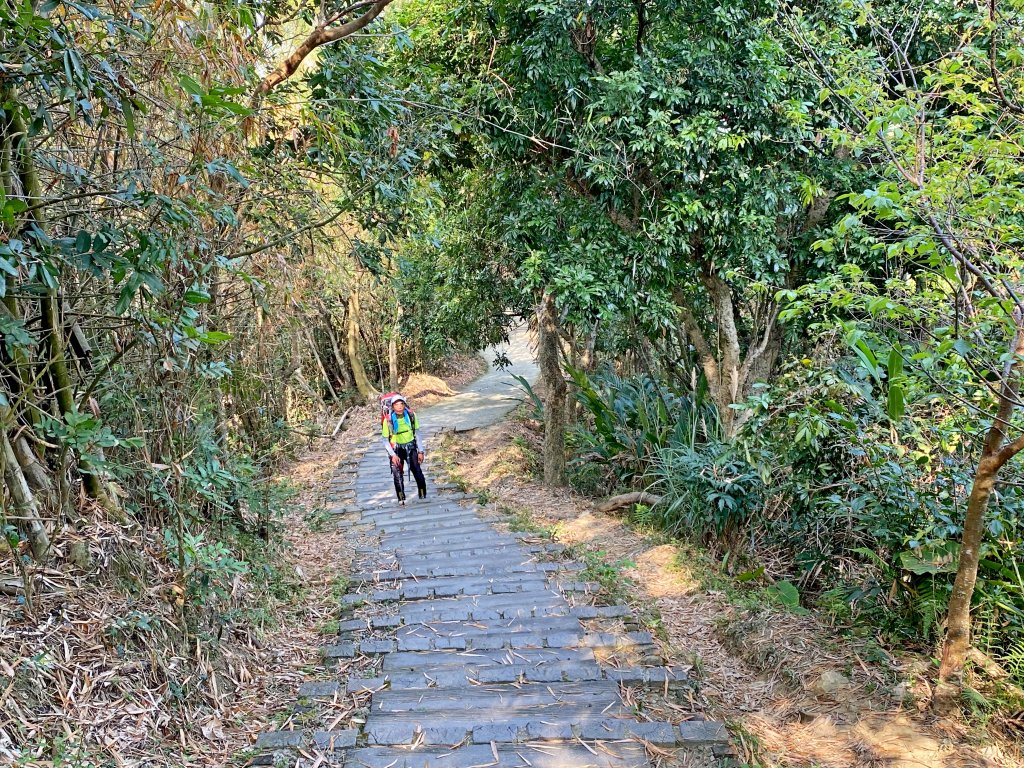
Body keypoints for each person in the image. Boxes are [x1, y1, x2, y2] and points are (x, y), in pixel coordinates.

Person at [381, 394, 426, 505]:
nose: (400, 407)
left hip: (411, 446)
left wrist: (421, 451)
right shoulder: (388, 421)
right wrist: (392, 455)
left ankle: (422, 494)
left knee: (417, 470)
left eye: (401, 404)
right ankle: (401, 498)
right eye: (397, 404)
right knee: (397, 474)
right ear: (392, 406)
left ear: (404, 404)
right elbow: (385, 440)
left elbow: (418, 433)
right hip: (396, 449)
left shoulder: (411, 415)